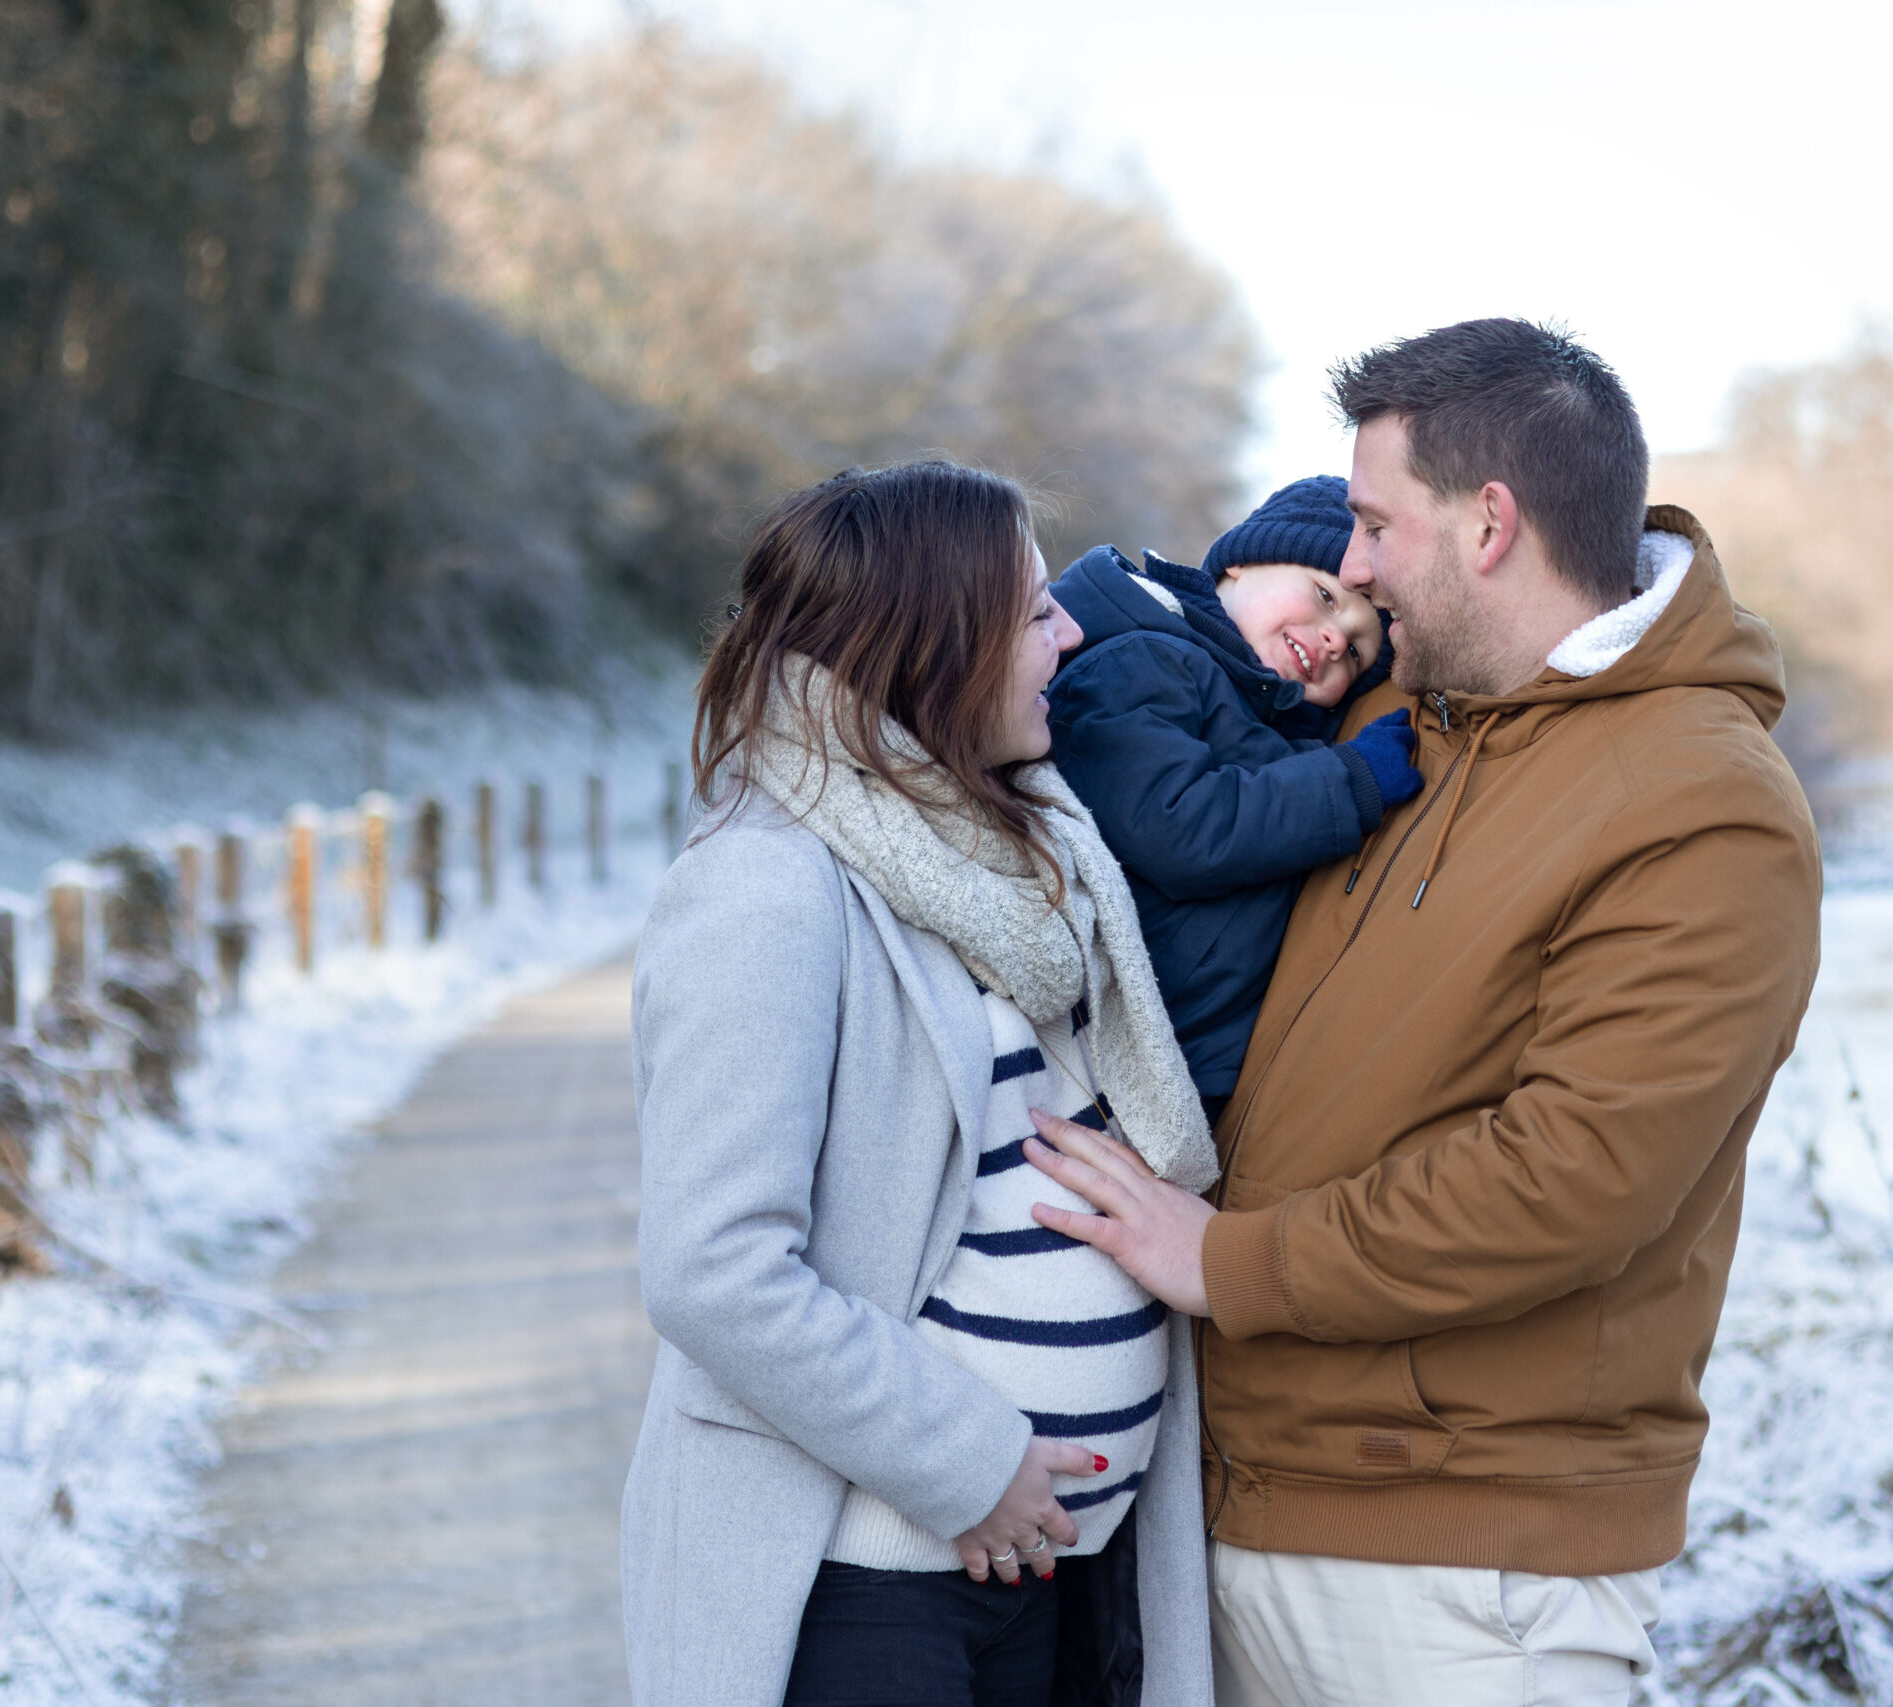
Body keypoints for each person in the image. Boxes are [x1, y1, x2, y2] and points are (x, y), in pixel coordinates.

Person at [1017, 320, 1826, 1706]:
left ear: (1490, 523)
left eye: (1380, 523)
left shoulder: (1710, 805)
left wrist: (1230, 1263)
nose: (1352, 562)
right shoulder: (1398, 703)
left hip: (1463, 1574)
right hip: (1228, 1508)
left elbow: (1571, 1180)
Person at [620, 460, 1220, 1707]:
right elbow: (714, 1267)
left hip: (1056, 1574)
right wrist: (966, 1462)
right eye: (1036, 609)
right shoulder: (768, 883)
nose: (1068, 635)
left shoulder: (1040, 855)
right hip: (867, 1584)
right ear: (931, 641)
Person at [1045, 475, 1421, 1120]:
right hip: (1111, 1052)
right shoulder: (1141, 660)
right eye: (1326, 596)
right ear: (1241, 563)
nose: (1335, 640)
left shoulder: (1265, 714)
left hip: (1195, 1062)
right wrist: (1348, 780)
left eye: (1359, 652)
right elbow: (1176, 825)